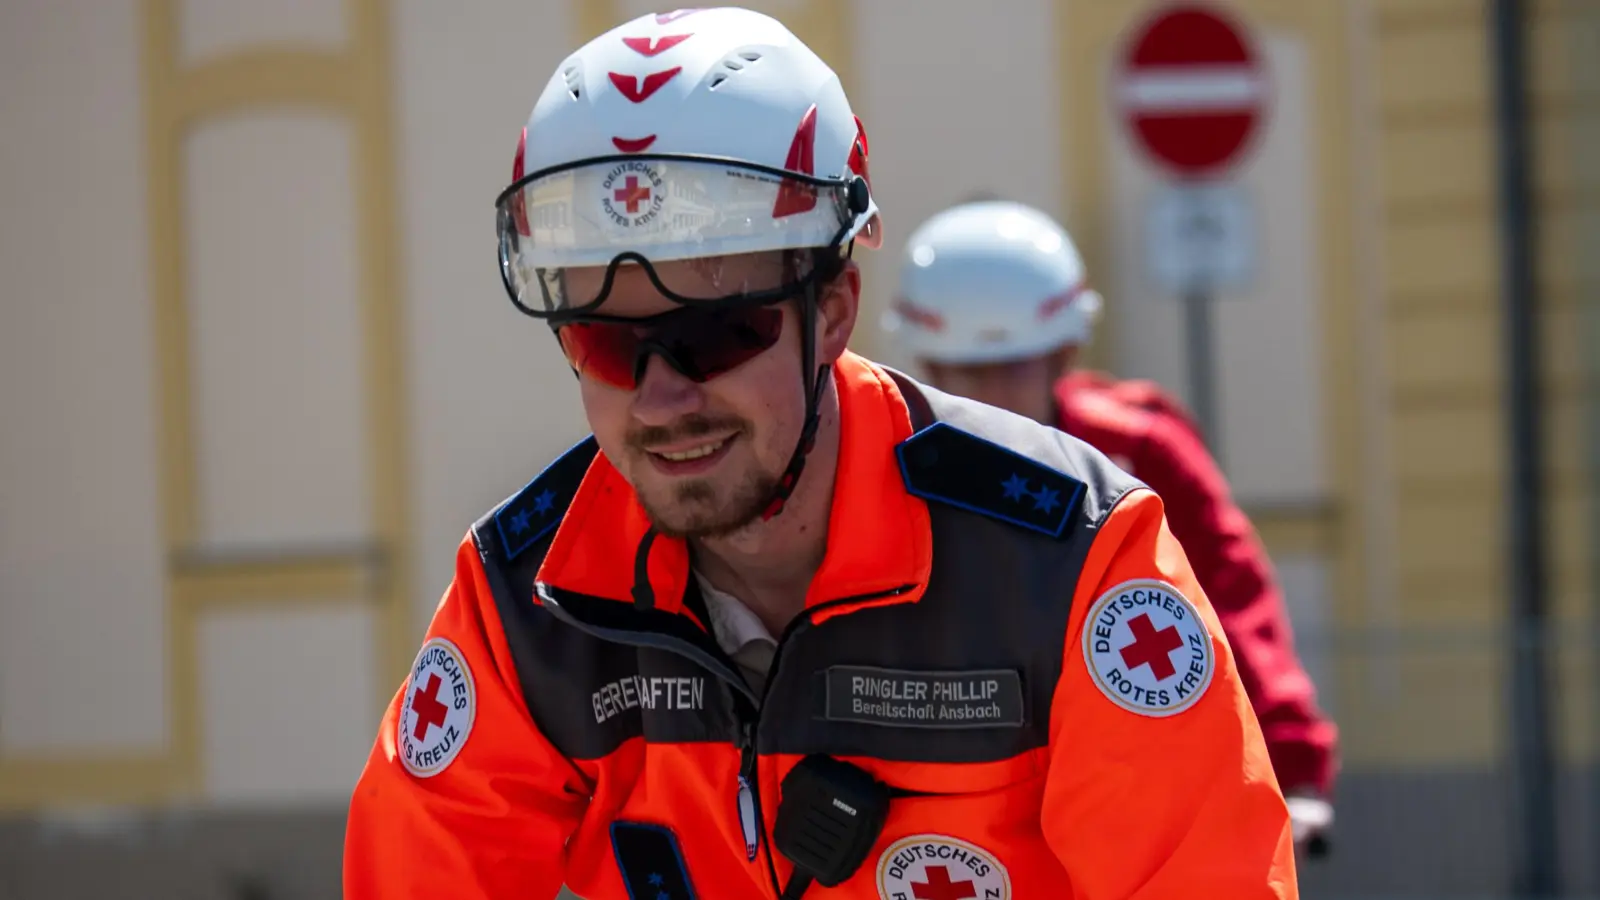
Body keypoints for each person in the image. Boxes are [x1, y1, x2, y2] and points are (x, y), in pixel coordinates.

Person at [343, 9, 1297, 898]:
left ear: (832, 312)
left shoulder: (1068, 562)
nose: (665, 396)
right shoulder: (525, 598)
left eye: (717, 332)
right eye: (608, 344)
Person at [882, 197, 1340, 854]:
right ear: (927, 365)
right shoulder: (888, 463)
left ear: (1062, 355)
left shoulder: (1138, 453)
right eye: (967, 372)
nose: (987, 395)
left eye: (1011, 368)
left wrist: (1292, 769)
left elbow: (1230, 601)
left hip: (1135, 795)